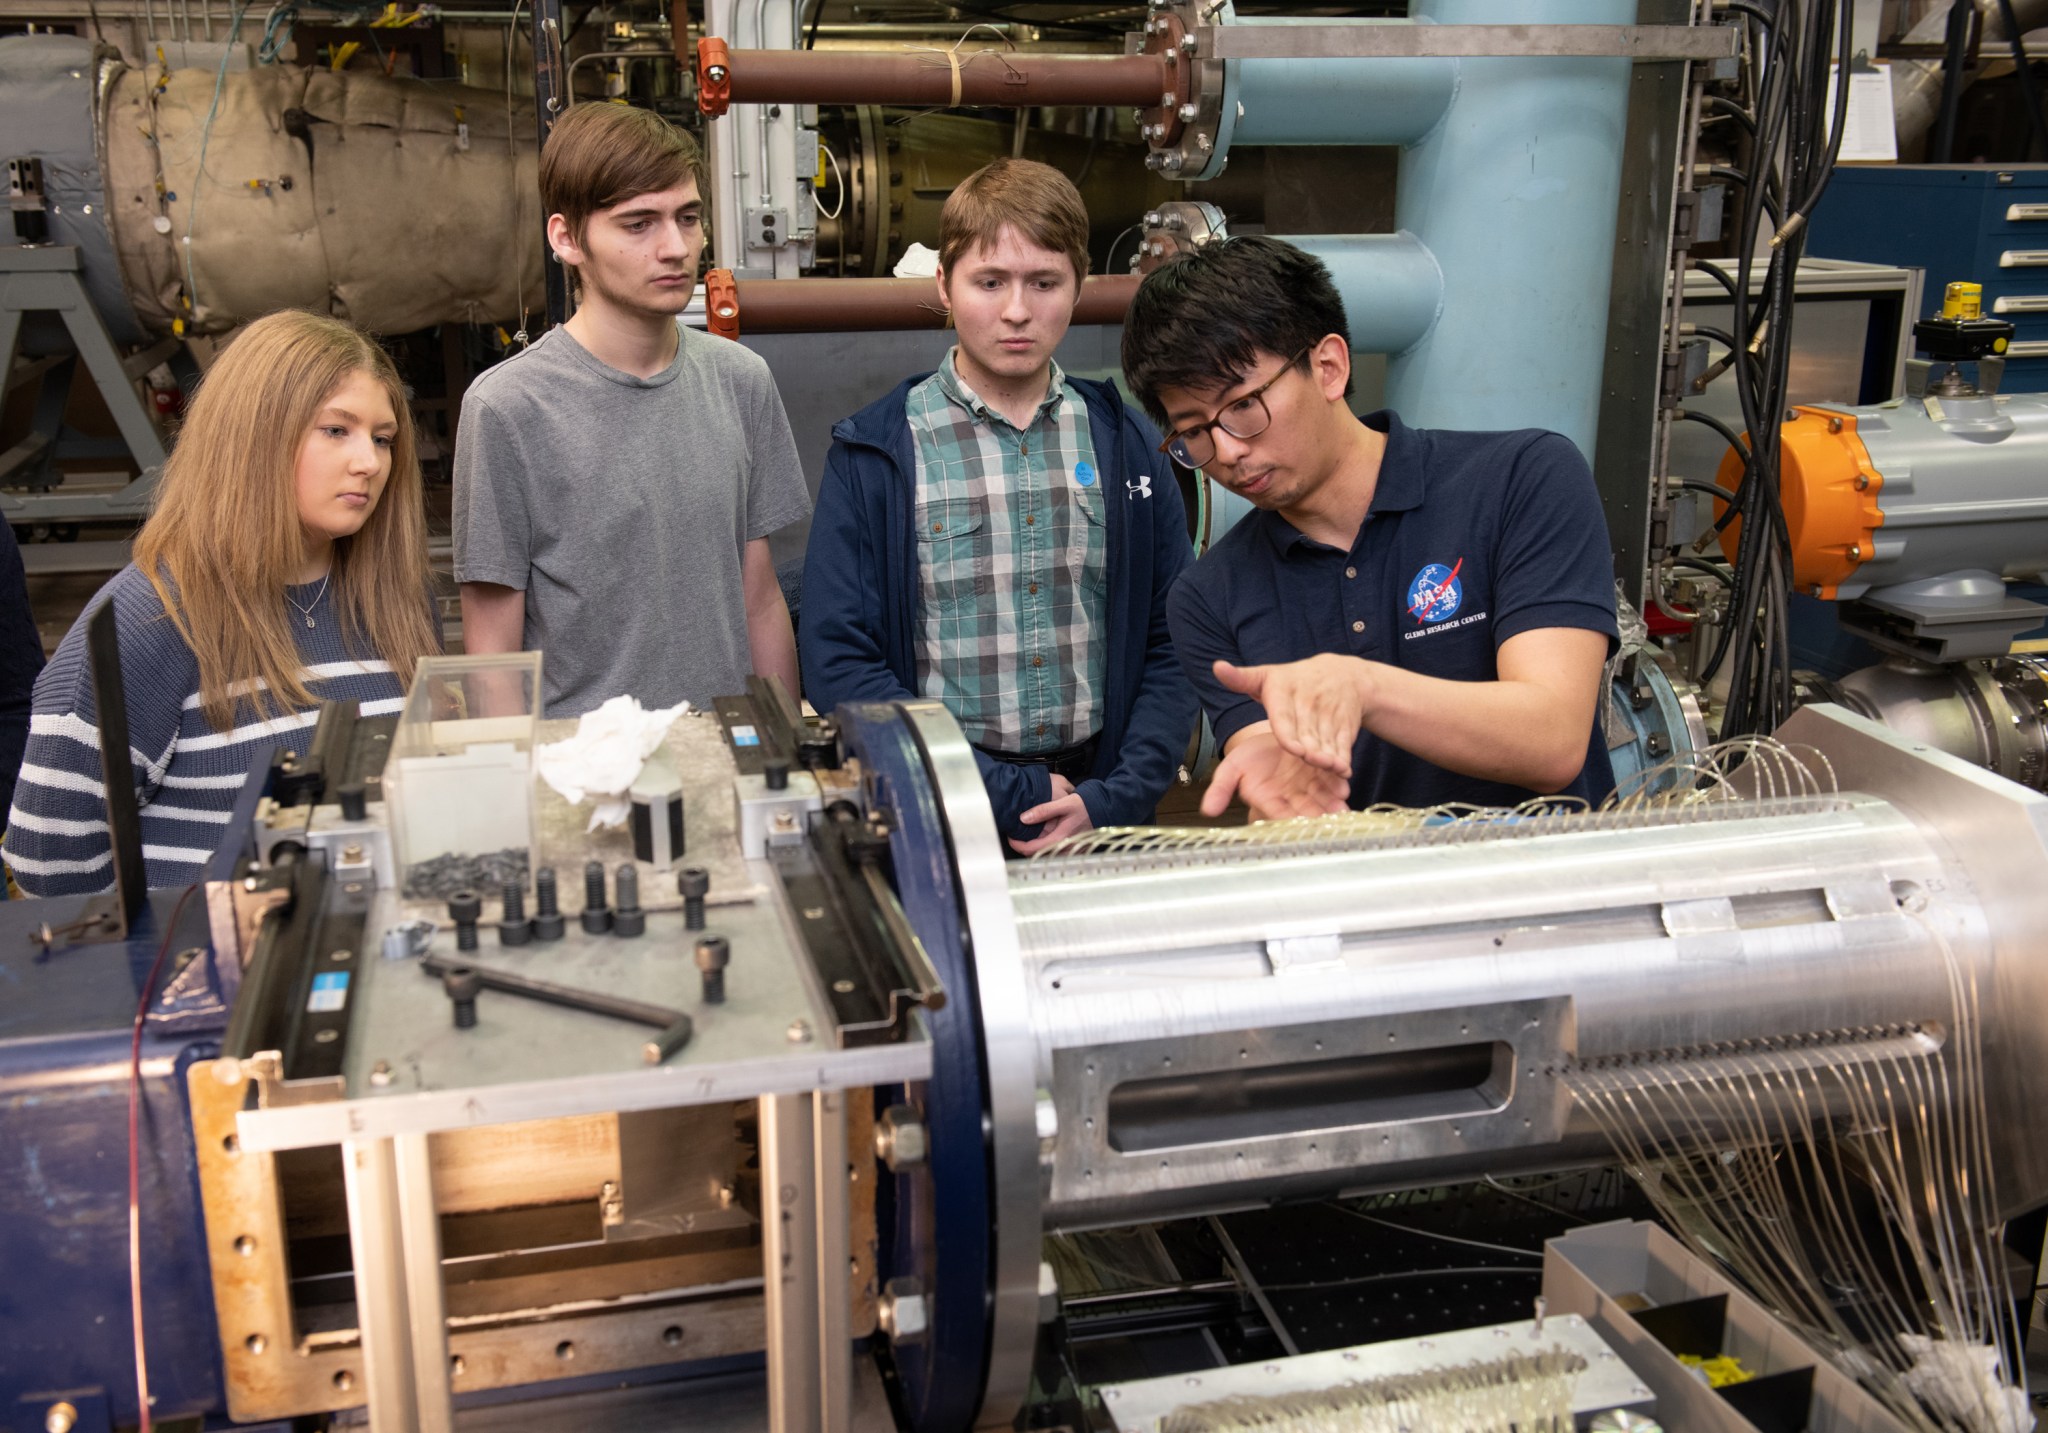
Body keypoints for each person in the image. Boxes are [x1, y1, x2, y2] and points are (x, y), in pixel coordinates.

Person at [1121, 236, 1617, 823]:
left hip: (1553, 876)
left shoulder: (1521, 479)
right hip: (1364, 881)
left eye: (1243, 407)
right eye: (1194, 432)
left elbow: (1553, 740)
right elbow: (1274, 770)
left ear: (1328, 367)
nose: (1226, 451)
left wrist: (1363, 689)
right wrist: (1279, 796)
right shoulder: (1208, 597)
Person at [802, 159, 1196, 854]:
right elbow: (841, 662)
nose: (1017, 310)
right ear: (944, 286)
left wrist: (1118, 793)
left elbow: (1174, 638)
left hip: (1104, 805)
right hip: (941, 806)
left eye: (1044, 282)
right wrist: (998, 789)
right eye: (989, 282)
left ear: (1079, 286)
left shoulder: (1128, 443)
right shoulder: (876, 453)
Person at [4, 310, 440, 897]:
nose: (370, 461)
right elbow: (51, 870)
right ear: (252, 436)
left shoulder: (398, 602)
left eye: (382, 439)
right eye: (337, 430)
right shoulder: (147, 622)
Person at [454, 102, 808, 718]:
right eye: (638, 223)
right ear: (567, 238)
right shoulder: (507, 409)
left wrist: (787, 743)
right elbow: (492, 655)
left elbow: (759, 600)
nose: (675, 248)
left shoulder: (740, 380)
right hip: (586, 765)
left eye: (688, 218)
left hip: (726, 750)